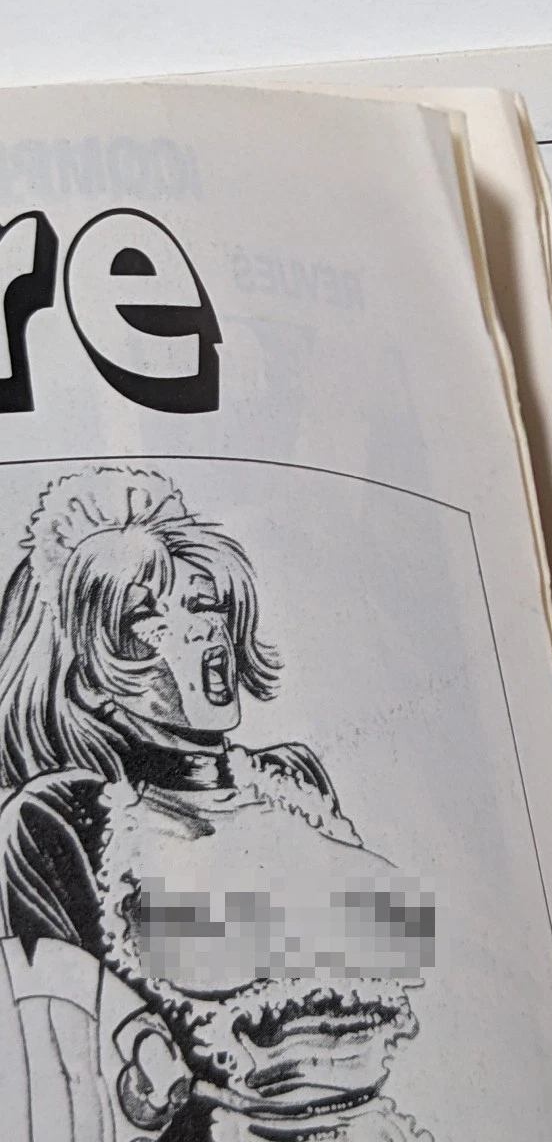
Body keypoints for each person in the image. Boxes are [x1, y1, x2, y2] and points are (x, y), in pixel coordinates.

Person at [0, 465, 434, 1142]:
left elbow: (411, 951)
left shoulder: (295, 779)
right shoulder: (59, 818)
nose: (204, 631)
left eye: (205, 603)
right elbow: (55, 1045)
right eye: (148, 615)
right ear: (87, 676)